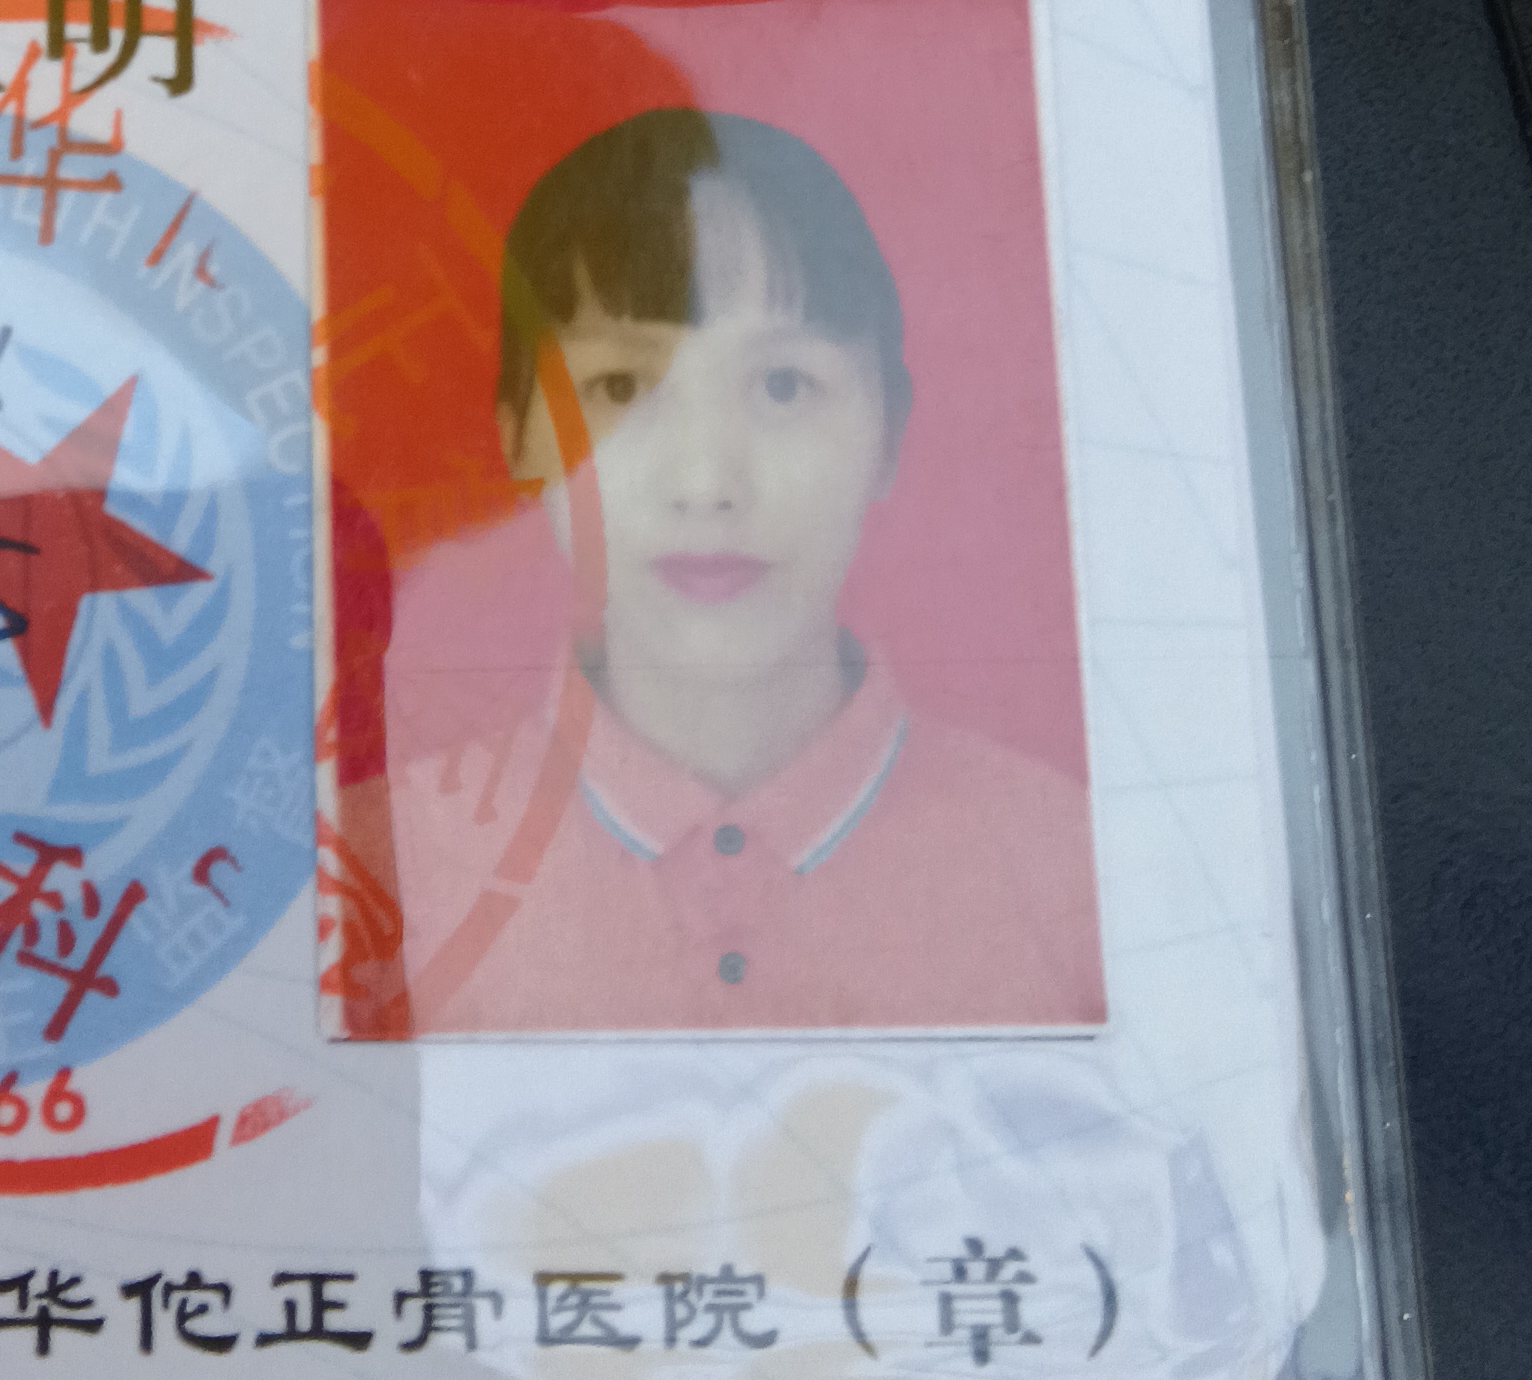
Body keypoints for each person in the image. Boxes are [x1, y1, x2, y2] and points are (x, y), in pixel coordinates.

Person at [329, 107, 1106, 1035]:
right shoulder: (372, 880)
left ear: (890, 434)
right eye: (621, 387)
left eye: (783, 385)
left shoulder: (1076, 877)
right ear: (520, 439)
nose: (707, 484)